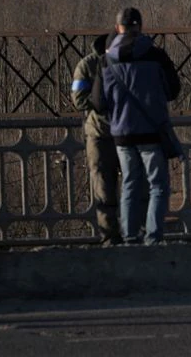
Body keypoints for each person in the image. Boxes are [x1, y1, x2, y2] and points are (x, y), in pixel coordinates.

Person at [102, 6, 181, 245]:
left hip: (122, 134)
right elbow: (173, 90)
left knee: (129, 185)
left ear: (117, 28)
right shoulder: (156, 55)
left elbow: (97, 100)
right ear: (140, 27)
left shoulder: (106, 59)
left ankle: (129, 237)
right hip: (151, 132)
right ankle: (153, 238)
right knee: (157, 186)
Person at [71, 32, 121, 244]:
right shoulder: (88, 65)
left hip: (113, 133)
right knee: (105, 190)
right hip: (102, 134)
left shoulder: (121, 61)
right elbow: (79, 99)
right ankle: (110, 238)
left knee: (117, 189)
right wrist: (102, 100)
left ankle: (121, 236)